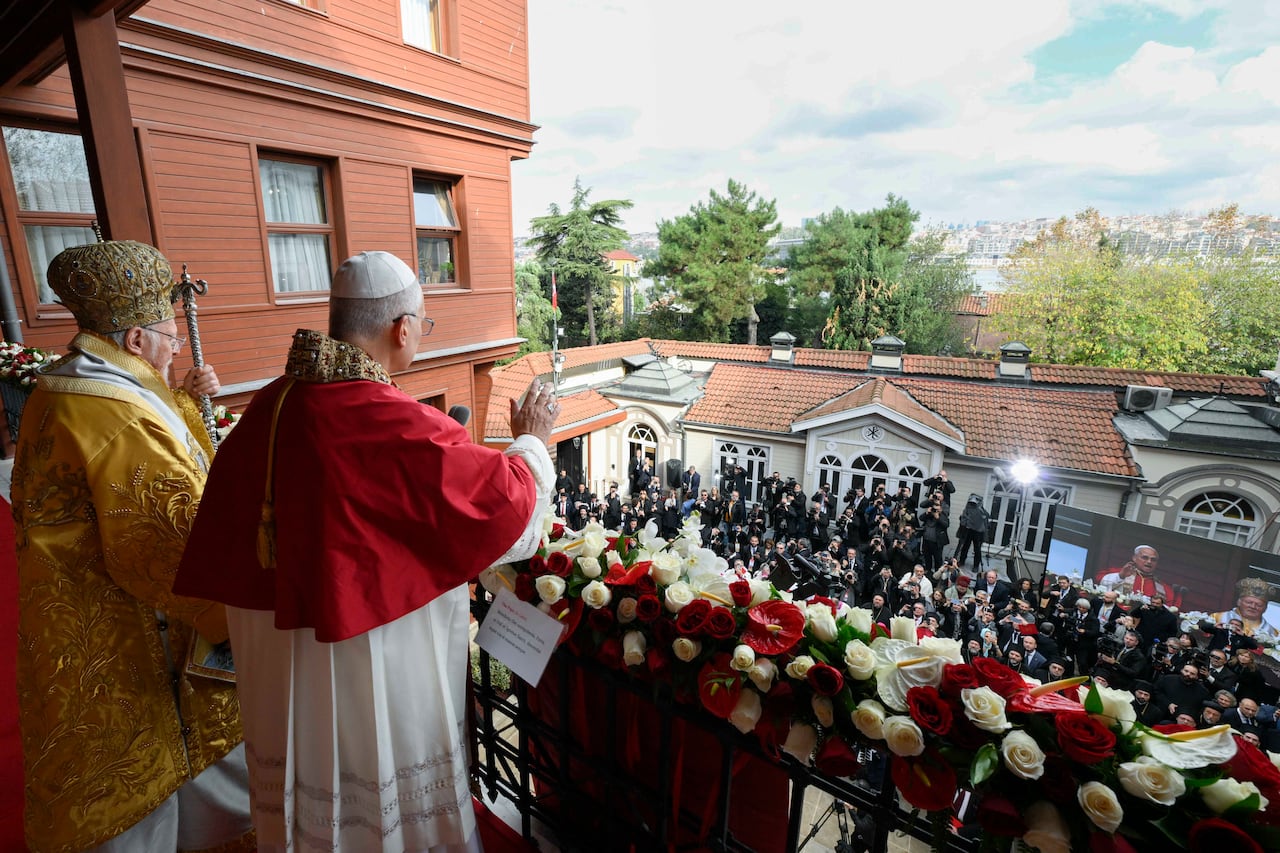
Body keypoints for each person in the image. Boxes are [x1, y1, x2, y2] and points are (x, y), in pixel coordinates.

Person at [175, 251, 557, 853]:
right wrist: (533, 438)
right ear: (402, 328)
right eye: (423, 326)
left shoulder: (271, 404)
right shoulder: (388, 419)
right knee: (377, 788)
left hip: (279, 652)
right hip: (367, 650)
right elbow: (510, 513)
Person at [13, 240, 253, 851]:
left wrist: (184, 395)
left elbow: (167, 442)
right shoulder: (116, 415)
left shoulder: (65, 386)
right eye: (167, 334)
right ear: (133, 341)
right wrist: (247, 613)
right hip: (131, 635)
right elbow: (170, 546)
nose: (175, 344)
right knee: (154, 795)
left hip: (74, 610)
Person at [1097, 545, 1182, 608]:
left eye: (1153, 560)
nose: (1149, 562)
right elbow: (1100, 583)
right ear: (1134, 558)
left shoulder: (1163, 588)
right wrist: (1121, 576)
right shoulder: (1121, 572)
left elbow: (1168, 607)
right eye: (1145, 558)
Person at [1210, 577, 1280, 642]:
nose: (1253, 606)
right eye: (1249, 602)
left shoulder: (1272, 633)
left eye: (1259, 605)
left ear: (1265, 608)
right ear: (1239, 602)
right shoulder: (1217, 618)